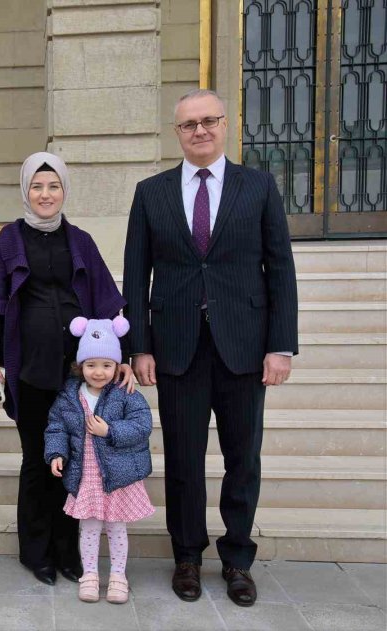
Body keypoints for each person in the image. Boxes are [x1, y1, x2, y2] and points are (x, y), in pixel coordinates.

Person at [123, 89, 298, 607]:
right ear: (176, 133)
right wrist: (140, 346)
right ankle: (187, 556)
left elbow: (280, 269)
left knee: (243, 458)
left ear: (225, 125)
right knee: (183, 459)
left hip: (244, 346)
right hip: (177, 349)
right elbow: (136, 276)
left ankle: (238, 559)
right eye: (188, 125)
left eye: (208, 121)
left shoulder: (258, 186)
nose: (199, 131)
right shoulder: (151, 192)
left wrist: (280, 345)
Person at [0, 152, 134, 585]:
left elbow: (107, 297)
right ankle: (36, 551)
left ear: (64, 190)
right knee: (37, 460)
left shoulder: (80, 240)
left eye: (53, 186)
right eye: (37, 186)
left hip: (77, 377)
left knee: (76, 463)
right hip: (28, 372)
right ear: (25, 190)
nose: (45, 195)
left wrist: (127, 354)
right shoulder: (8, 240)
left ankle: (69, 552)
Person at [45, 316, 154, 605]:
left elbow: (143, 425)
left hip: (117, 476)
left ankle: (118, 576)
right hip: (87, 475)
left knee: (116, 527)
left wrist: (111, 430)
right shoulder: (69, 397)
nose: (99, 372)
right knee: (89, 528)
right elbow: (56, 426)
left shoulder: (125, 393)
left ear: (117, 367)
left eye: (106, 365)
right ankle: (90, 575)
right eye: (91, 365)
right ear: (80, 366)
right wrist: (57, 453)